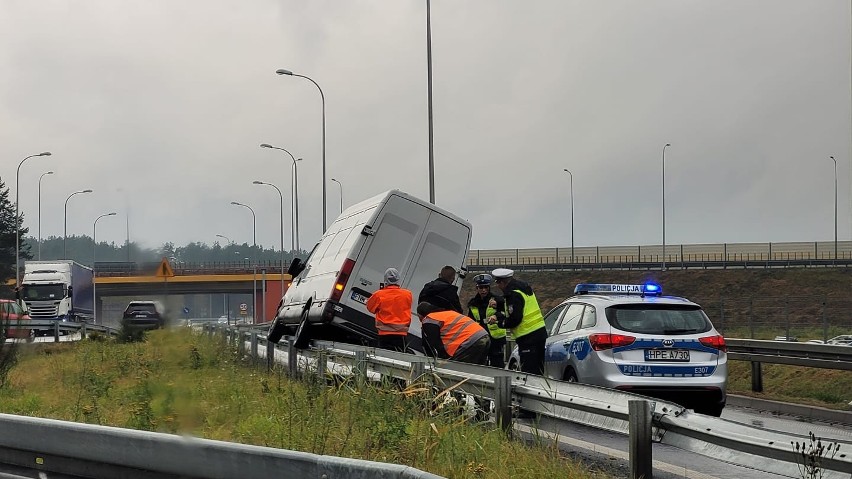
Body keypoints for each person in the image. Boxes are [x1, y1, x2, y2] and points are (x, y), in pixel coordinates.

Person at [490, 268, 547, 375]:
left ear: (502, 282)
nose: (498, 286)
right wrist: (499, 304)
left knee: (529, 373)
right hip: (538, 334)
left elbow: (515, 319)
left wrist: (500, 323)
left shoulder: (513, 294)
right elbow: (520, 305)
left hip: (527, 337)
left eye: (498, 283)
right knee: (538, 371)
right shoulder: (522, 287)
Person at [416, 302, 490, 365]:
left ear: (420, 315)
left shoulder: (429, 319)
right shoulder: (448, 313)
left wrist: (441, 359)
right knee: (478, 371)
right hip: (484, 336)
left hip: (469, 342)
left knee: (455, 370)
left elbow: (434, 344)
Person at [365, 267, 412, 352]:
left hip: (384, 335)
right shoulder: (407, 294)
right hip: (401, 335)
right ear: (398, 280)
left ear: (385, 280)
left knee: (384, 357)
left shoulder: (379, 294)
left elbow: (370, 308)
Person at [466, 273, 508, 368]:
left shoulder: (497, 300)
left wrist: (496, 316)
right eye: (481, 287)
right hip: (480, 337)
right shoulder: (473, 304)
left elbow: (505, 312)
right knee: (480, 363)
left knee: (497, 364)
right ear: (477, 288)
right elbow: (470, 320)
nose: (484, 290)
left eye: (486, 287)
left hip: (496, 338)